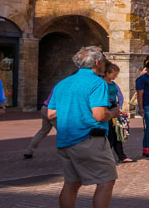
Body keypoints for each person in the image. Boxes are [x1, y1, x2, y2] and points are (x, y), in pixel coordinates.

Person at [48, 46, 120, 208]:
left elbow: (51, 114)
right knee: (106, 180)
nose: (103, 64)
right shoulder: (97, 83)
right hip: (89, 138)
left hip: (66, 139)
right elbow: (100, 115)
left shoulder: (62, 83)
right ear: (96, 62)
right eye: (102, 60)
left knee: (71, 183)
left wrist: (73, 110)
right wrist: (113, 113)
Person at [102, 62, 131, 163]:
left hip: (115, 108)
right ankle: (107, 157)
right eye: (114, 75)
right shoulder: (102, 83)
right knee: (109, 134)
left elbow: (119, 95)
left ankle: (121, 156)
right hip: (107, 108)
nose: (115, 77)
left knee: (117, 133)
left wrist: (119, 107)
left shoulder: (113, 84)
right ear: (108, 73)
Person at [24, 88, 56, 159]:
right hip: (53, 111)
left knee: (43, 131)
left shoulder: (59, 85)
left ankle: (29, 151)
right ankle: (67, 153)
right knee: (63, 132)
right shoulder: (68, 87)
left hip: (45, 108)